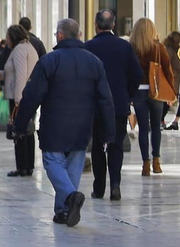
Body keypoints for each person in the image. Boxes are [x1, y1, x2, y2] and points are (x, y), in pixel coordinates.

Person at [10, 18, 114, 228]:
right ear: (80, 35)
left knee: (52, 162)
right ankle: (63, 210)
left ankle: (69, 197)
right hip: (82, 124)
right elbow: (105, 99)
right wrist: (109, 131)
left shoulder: (50, 61)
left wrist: (20, 124)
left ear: (59, 35)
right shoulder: (94, 61)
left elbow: (32, 95)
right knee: (74, 165)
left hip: (54, 123)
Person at [84, 9, 142, 201]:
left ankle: (99, 187)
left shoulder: (89, 47)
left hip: (96, 105)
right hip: (118, 103)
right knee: (116, 144)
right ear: (114, 25)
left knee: (98, 145)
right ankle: (115, 184)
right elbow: (136, 74)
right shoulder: (124, 47)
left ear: (96, 25)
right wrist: (128, 94)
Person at [131, 17, 174, 176]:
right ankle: (156, 161)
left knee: (143, 128)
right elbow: (168, 71)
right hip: (156, 90)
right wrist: (171, 92)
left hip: (138, 91)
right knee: (156, 127)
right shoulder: (158, 48)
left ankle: (145, 164)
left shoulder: (132, 48)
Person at [3, 24, 40, 177]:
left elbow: (21, 75)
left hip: (19, 96)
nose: (6, 40)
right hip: (29, 94)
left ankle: (22, 165)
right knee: (28, 131)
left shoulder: (19, 50)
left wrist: (18, 99)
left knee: (19, 131)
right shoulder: (29, 47)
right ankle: (28, 165)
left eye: (7, 37)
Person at [163, 24, 180, 129]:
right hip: (173, 78)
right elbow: (174, 66)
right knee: (171, 100)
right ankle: (162, 119)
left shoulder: (168, 49)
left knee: (179, 99)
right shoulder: (172, 51)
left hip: (172, 78)